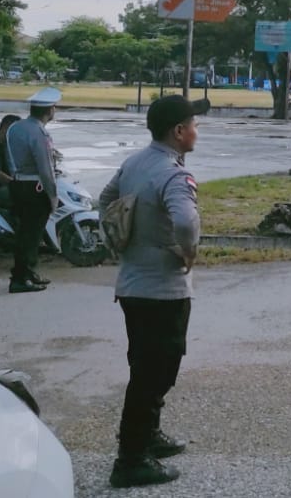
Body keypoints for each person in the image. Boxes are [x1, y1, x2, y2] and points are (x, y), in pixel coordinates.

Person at [97, 94, 209, 489]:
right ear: (179, 132)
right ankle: (130, 459)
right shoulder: (174, 175)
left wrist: (124, 238)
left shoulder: (135, 163)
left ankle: (149, 437)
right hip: (163, 290)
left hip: (132, 285)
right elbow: (185, 221)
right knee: (153, 373)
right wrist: (188, 252)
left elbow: (106, 200)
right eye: (194, 125)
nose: (197, 130)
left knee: (149, 368)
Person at [5, 87, 62, 293]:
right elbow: (45, 168)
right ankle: (21, 277)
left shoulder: (16, 127)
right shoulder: (39, 132)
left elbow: (10, 158)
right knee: (32, 234)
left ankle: (28, 273)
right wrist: (52, 195)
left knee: (25, 233)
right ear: (49, 110)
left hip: (18, 183)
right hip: (35, 187)